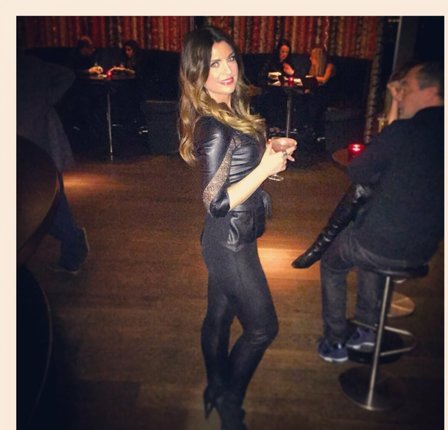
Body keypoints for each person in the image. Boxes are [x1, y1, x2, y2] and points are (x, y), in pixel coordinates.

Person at [178, 26, 296, 429]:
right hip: (229, 244)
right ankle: (229, 405)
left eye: (229, 58)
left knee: (218, 316)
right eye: (213, 64)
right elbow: (214, 202)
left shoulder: (231, 108)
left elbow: (236, 172)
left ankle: (215, 387)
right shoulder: (213, 125)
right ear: (197, 73)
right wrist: (264, 168)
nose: (227, 69)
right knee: (263, 329)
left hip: (228, 240)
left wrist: (269, 157)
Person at [297, 61, 443, 363]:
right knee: (371, 252)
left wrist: (394, 110)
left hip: (381, 243)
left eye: (406, 88)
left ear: (431, 91)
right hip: (423, 250)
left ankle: (335, 342)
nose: (401, 94)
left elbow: (359, 171)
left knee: (334, 262)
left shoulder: (404, 132)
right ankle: (365, 329)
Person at [17, 53, 90, 274]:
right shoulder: (31, 63)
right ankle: (72, 246)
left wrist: (48, 99)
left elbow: (67, 75)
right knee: (46, 200)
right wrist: (48, 99)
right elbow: (66, 76)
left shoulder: (27, 64)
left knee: (48, 201)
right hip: (35, 140)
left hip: (33, 143)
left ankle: (73, 245)